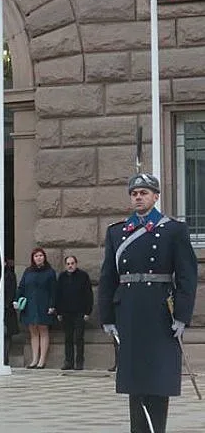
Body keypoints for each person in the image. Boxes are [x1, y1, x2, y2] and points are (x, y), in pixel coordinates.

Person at [99, 173, 198, 433]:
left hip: (160, 311)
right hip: (129, 310)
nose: (138, 197)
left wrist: (182, 315)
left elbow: (187, 275)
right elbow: (108, 276)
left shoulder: (174, 230)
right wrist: (107, 317)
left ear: (156, 196)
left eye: (144, 193)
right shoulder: (118, 232)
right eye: (134, 193)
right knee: (135, 379)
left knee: (158, 377)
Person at [15, 248, 57, 369]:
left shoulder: (50, 272)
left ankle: (42, 360)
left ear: (44, 257)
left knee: (43, 330)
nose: (38, 258)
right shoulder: (28, 271)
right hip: (30, 305)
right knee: (33, 331)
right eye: (36, 256)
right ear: (33, 258)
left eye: (41, 255)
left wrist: (52, 305)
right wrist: (16, 299)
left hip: (43, 304)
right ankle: (34, 359)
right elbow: (21, 287)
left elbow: (53, 291)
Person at [54, 255, 93, 370]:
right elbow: (58, 294)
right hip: (66, 312)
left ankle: (79, 362)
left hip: (80, 312)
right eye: (68, 264)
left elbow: (88, 294)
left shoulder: (83, 276)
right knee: (68, 338)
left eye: (72, 263)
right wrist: (59, 312)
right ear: (65, 265)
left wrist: (88, 312)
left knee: (79, 338)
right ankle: (68, 361)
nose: (70, 266)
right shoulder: (62, 277)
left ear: (76, 264)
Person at [3, 259, 18, 366]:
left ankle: (4, 358)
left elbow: (11, 292)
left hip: (7, 310)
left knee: (6, 334)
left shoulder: (9, 276)